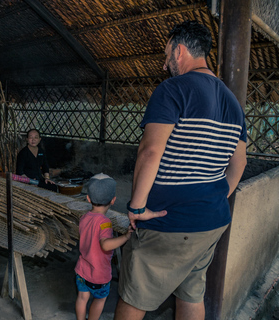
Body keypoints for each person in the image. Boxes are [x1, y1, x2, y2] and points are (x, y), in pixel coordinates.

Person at [114, 21, 248, 320]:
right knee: (190, 292)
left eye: (166, 56)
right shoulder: (233, 102)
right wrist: (217, 194)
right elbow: (239, 162)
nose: (165, 65)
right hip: (211, 221)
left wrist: (136, 207)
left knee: (135, 296)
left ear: (180, 49)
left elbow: (150, 152)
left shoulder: (173, 89)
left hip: (170, 222)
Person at [75, 173, 133, 320]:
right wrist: (125, 236)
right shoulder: (105, 222)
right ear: (113, 200)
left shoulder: (84, 217)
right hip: (98, 274)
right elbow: (106, 245)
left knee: (82, 297)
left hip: (82, 270)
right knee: (99, 299)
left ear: (88, 198)